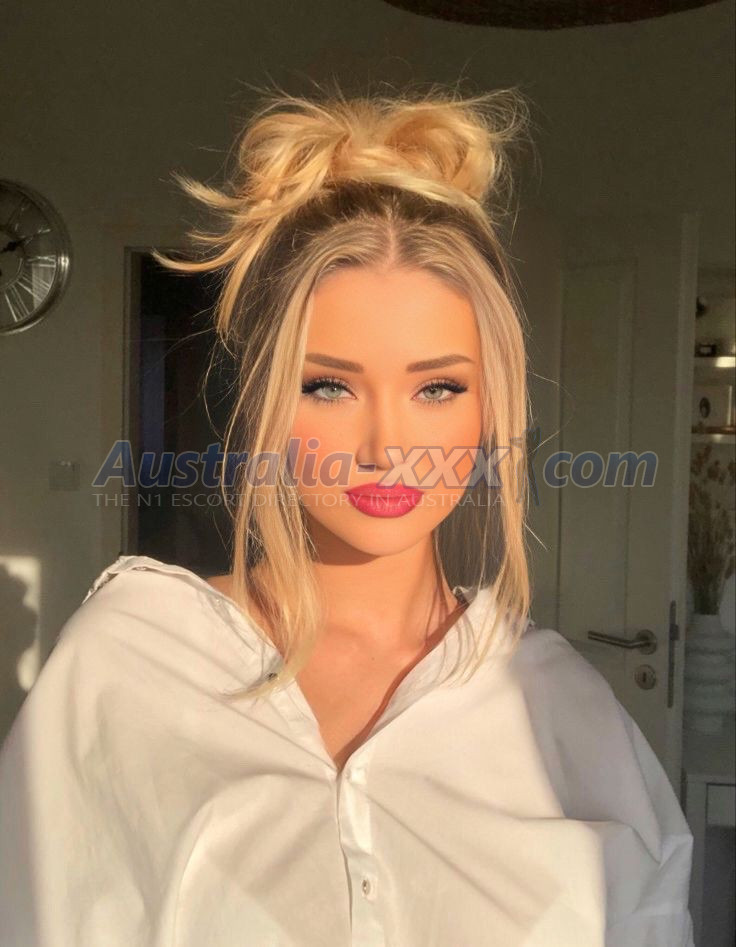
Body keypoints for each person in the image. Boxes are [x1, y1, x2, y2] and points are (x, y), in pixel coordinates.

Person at [0, 84, 694, 946]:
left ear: (492, 405)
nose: (386, 446)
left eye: (437, 388)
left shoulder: (566, 712)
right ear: (264, 400)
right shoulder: (129, 663)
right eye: (328, 385)